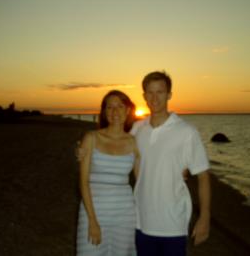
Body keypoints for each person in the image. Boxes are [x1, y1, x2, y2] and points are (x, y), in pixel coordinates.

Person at [132, 71, 211, 256]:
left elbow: (203, 176)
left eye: (160, 92)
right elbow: (118, 151)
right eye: (150, 92)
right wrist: (85, 148)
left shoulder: (186, 132)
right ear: (144, 96)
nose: (155, 97)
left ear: (169, 95)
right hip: (141, 221)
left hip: (173, 224)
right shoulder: (138, 129)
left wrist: (204, 217)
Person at [76, 90, 139, 256]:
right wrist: (92, 220)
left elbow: (142, 180)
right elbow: (83, 182)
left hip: (125, 213)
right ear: (104, 112)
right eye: (110, 107)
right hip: (93, 210)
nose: (115, 111)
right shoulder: (91, 138)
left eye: (119, 106)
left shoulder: (134, 142)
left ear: (127, 111)